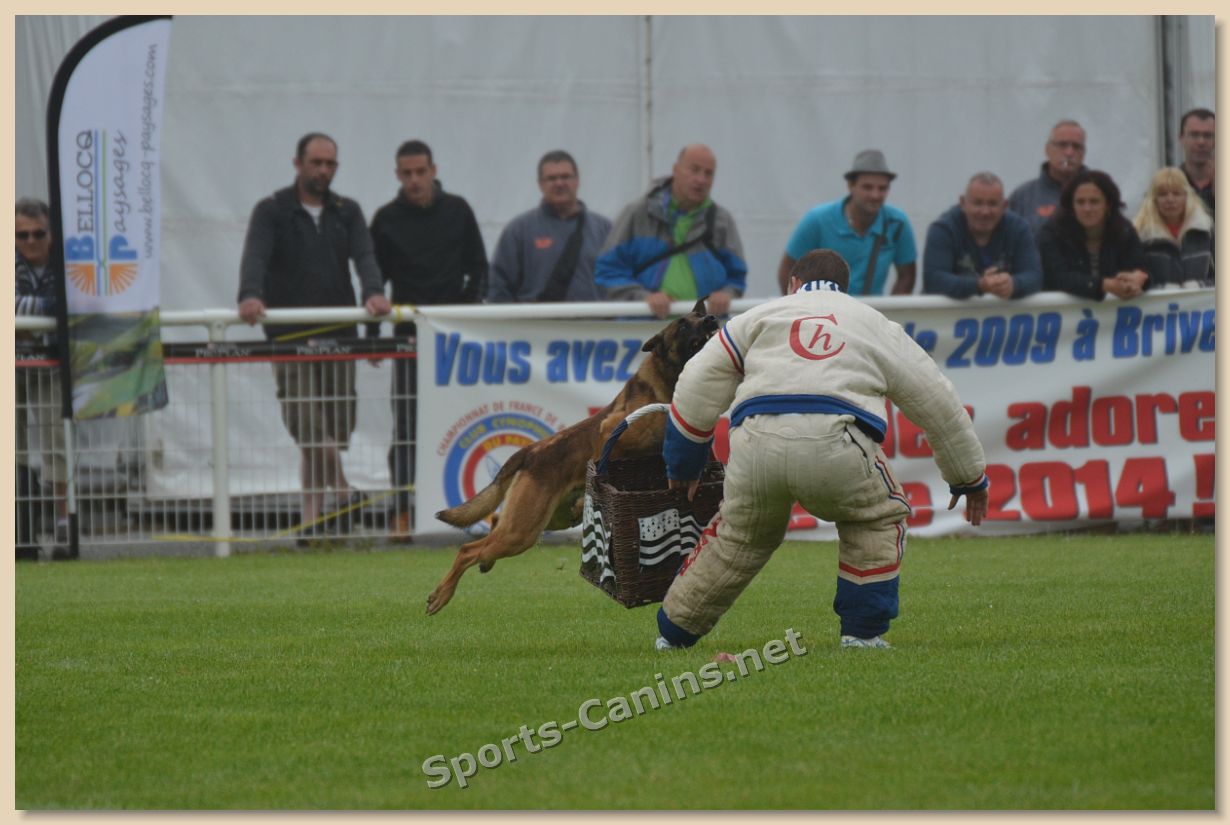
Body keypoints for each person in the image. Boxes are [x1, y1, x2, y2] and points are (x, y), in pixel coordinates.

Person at [654, 249, 989, 652]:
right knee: (876, 519)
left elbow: (696, 382)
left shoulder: (757, 317)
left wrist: (684, 463)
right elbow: (937, 401)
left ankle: (673, 633)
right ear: (845, 289)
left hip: (755, 442)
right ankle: (861, 634)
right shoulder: (872, 323)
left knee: (740, 535)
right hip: (838, 442)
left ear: (793, 284)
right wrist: (968, 478)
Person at [237, 133, 391, 545]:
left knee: (331, 431)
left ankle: (312, 520)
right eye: (316, 163)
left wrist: (374, 294)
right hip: (290, 337)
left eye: (330, 164)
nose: (323, 171)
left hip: (340, 335)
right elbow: (255, 256)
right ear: (298, 163)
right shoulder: (272, 210)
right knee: (306, 423)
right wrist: (250, 294)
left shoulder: (347, 211)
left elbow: (365, 258)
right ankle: (342, 491)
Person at [370, 140, 488, 541]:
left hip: (455, 342)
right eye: (407, 173)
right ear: (397, 175)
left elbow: (479, 268)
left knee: (466, 422)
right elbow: (374, 281)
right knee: (406, 428)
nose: (415, 179)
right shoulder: (385, 219)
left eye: (421, 171)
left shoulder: (459, 210)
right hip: (408, 341)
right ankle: (401, 511)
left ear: (434, 170)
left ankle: (470, 509)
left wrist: (465, 318)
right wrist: (373, 336)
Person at [594, 143, 747, 319]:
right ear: (675, 170)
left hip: (704, 329)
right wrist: (643, 298)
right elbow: (608, 270)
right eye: (694, 170)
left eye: (708, 173)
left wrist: (727, 293)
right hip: (643, 329)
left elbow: (737, 276)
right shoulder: (637, 213)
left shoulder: (722, 220)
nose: (701, 179)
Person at [776, 149, 917, 296]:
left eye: (882, 188)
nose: (875, 195)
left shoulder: (898, 223)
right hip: (824, 308)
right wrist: (802, 306)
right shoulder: (817, 220)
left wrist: (890, 310)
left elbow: (907, 276)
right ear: (850, 185)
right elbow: (787, 271)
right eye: (867, 187)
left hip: (869, 309)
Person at [15, 197, 71, 559]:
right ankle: (20, 527)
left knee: (56, 443)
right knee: (13, 448)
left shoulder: (66, 262)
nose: (31, 241)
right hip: (13, 367)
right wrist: (48, 310)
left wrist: (25, 314)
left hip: (50, 365)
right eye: (22, 235)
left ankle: (64, 524)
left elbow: (73, 300)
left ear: (51, 233)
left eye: (38, 233)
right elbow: (56, 305)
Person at [487, 150, 612, 303]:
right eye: (551, 178)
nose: (559, 183)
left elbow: (622, 280)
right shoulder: (518, 231)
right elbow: (499, 286)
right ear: (540, 184)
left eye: (565, 177)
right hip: (537, 318)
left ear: (577, 181)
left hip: (593, 318)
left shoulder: (605, 230)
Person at [922, 172, 1042, 299]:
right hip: (949, 312)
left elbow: (1035, 277)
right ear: (963, 203)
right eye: (977, 203)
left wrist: (1013, 284)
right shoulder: (944, 229)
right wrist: (978, 285)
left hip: (1001, 311)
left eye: (992, 204)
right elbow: (933, 280)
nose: (985, 212)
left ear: (1004, 206)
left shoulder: (1019, 228)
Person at [1037, 169, 1149, 301]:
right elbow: (1056, 278)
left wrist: (1139, 278)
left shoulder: (1124, 230)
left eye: (1094, 201)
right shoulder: (1051, 233)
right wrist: (1103, 285)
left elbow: (1142, 268)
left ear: (1108, 205)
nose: (1087, 208)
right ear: (1071, 206)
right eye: (1080, 202)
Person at [1132, 166, 1214, 288]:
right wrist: (1165, 290)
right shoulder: (1140, 235)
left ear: (1186, 197)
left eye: (1176, 194)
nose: (1170, 200)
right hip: (1159, 301)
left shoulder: (1207, 231)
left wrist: (1198, 286)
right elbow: (1134, 284)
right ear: (1154, 200)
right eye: (1163, 194)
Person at [1007, 119, 1087, 237]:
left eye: (1076, 146)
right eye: (1062, 145)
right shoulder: (1023, 197)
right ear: (1047, 150)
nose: (1069, 153)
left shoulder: (1101, 194)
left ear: (1083, 153)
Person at [1178, 108, 1214, 219]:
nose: (1201, 142)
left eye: (1208, 136)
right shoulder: (1168, 185)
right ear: (1181, 139)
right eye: (1194, 135)